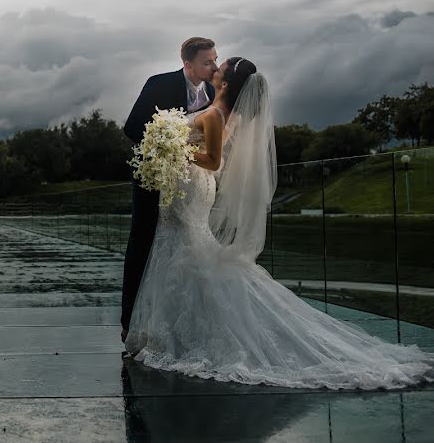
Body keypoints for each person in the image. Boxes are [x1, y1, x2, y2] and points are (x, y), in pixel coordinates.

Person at [124, 57, 434, 389]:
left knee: (184, 247)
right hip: (193, 185)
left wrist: (174, 150)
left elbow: (213, 160)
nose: (214, 68)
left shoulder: (213, 114)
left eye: (220, 67)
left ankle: (175, 337)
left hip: (196, 182)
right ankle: (168, 332)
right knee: (182, 247)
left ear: (225, 84)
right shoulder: (223, 114)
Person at [120, 37, 218, 343]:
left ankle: (189, 321)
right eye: (207, 62)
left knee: (190, 241)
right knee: (144, 240)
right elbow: (133, 127)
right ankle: (129, 322)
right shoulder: (158, 84)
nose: (214, 66)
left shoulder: (213, 91)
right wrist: (167, 143)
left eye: (215, 59)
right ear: (187, 64)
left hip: (191, 182)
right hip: (154, 177)